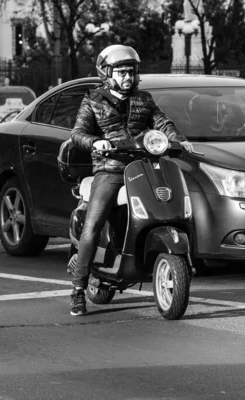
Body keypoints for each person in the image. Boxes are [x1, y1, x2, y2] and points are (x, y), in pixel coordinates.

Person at [68, 44, 194, 316]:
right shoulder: (93, 100)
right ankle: (78, 290)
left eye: (132, 72)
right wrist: (96, 142)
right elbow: (77, 133)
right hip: (110, 169)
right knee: (93, 224)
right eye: (121, 72)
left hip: (143, 166)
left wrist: (178, 140)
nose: (128, 77)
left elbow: (162, 123)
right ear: (107, 73)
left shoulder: (144, 99)